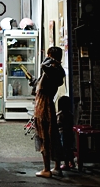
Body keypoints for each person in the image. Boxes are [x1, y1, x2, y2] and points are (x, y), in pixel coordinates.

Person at [30, 46, 65, 177]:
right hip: (47, 104)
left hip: (43, 106)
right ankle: (57, 167)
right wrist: (33, 81)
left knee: (44, 135)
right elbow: (41, 83)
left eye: (48, 55)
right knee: (53, 135)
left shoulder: (53, 70)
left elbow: (44, 66)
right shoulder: (57, 71)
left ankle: (46, 169)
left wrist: (49, 60)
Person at [56, 95, 75, 172]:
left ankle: (66, 164)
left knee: (64, 149)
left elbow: (58, 124)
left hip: (62, 134)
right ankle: (72, 162)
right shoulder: (70, 114)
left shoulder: (60, 115)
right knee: (69, 148)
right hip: (70, 133)